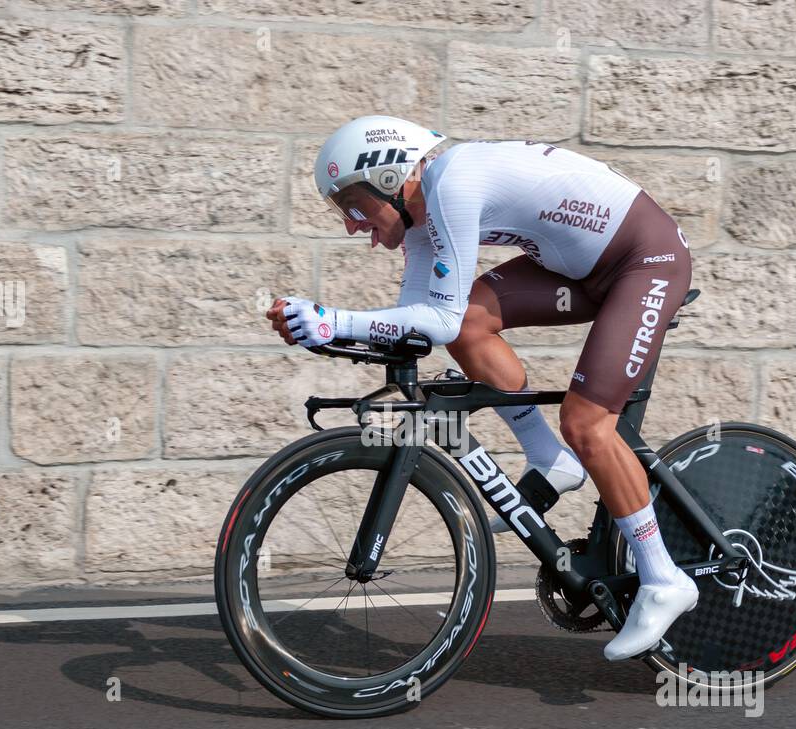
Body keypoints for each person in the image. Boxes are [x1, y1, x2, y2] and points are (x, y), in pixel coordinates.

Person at [266, 115, 697, 661]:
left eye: (352, 206)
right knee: (472, 324)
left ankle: (664, 578)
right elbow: (418, 322)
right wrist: (325, 331)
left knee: (587, 422)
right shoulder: (423, 216)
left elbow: (433, 320)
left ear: (388, 179)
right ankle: (550, 459)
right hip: (580, 269)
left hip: (645, 261)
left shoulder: (453, 182)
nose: (352, 226)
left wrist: (334, 319)